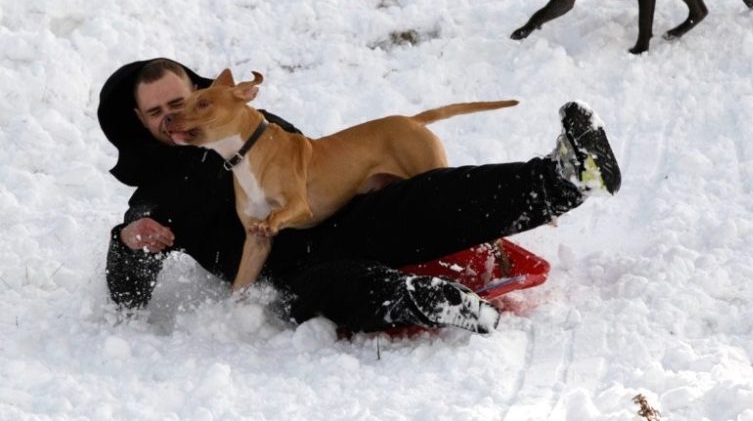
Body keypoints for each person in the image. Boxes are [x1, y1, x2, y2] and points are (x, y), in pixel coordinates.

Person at [98, 57, 621, 334]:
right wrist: (128, 241)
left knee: (428, 197)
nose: (176, 117)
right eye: (157, 113)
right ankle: (430, 302)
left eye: (183, 101)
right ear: (139, 125)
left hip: (347, 219)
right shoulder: (157, 195)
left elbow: (319, 169)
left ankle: (566, 179)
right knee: (331, 285)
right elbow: (128, 295)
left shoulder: (261, 128)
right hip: (293, 275)